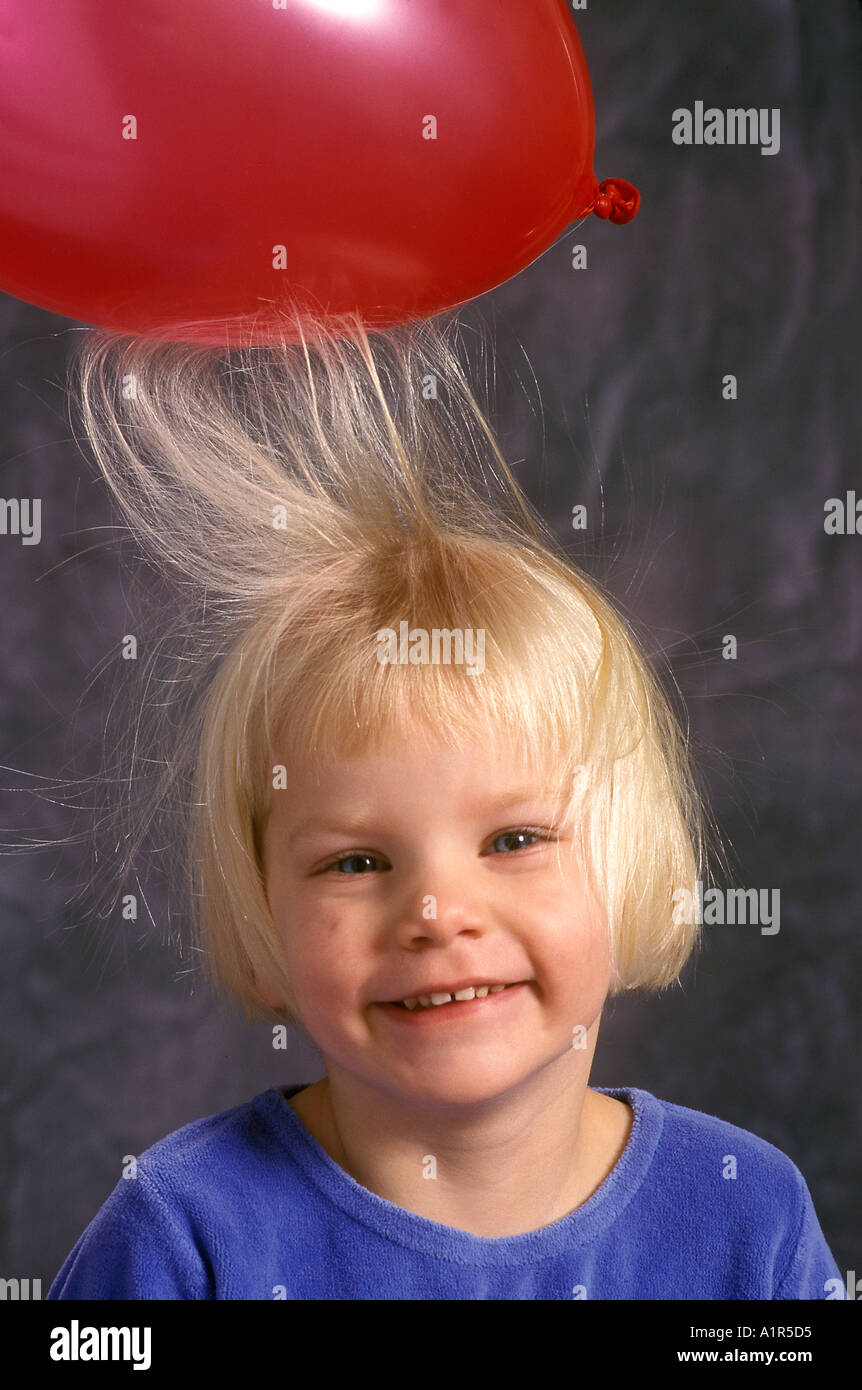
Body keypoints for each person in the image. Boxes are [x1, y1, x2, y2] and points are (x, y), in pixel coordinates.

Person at [46, 310, 840, 1299]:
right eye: (355, 860)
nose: (434, 911)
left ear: (627, 861)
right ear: (261, 899)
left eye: (513, 838)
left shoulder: (742, 1215)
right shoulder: (185, 1232)